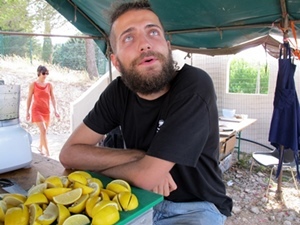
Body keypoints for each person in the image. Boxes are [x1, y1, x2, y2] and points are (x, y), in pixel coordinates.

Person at [59, 0, 232, 224]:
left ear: (168, 46)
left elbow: (146, 176)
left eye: (153, 32)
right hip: (137, 198)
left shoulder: (194, 85)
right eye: (129, 37)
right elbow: (69, 155)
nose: (145, 44)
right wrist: (138, 157)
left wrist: (131, 169)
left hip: (195, 208)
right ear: (116, 62)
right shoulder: (118, 92)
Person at [26, 65, 60, 157]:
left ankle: (40, 147)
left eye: (47, 73)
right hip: (36, 110)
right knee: (43, 130)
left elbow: (53, 98)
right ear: (39, 73)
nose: (45, 75)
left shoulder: (49, 85)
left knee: (43, 132)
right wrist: (27, 111)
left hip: (46, 110)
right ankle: (48, 153)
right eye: (44, 73)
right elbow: (29, 98)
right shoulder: (33, 84)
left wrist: (56, 110)